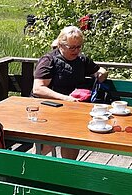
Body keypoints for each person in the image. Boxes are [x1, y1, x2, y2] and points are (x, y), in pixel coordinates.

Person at [31, 26, 108, 160]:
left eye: (79, 47)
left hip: (73, 110)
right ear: (61, 45)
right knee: (48, 143)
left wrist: (102, 73)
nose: (76, 51)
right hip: (49, 109)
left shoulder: (82, 60)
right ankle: (30, 168)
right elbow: (38, 89)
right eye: (72, 48)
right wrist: (66, 98)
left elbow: (98, 70)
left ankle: (67, 171)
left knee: (72, 141)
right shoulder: (49, 60)